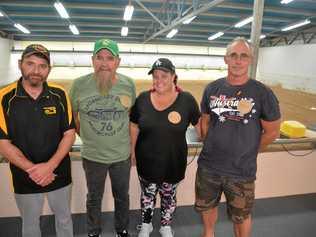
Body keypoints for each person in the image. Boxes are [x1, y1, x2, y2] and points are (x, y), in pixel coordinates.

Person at [195, 37, 281, 237]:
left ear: (250, 60)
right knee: (207, 207)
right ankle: (208, 234)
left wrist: (249, 151)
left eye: (243, 56)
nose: (238, 60)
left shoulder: (262, 93)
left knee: (241, 216)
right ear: (226, 59)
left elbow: (272, 131)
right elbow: (205, 120)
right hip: (209, 166)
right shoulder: (212, 89)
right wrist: (211, 143)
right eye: (233, 55)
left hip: (241, 170)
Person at [0, 44, 76, 237]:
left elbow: (69, 134)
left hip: (58, 174)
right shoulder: (4, 98)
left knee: (64, 220)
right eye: (30, 64)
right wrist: (33, 170)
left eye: (42, 66)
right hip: (25, 176)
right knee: (30, 225)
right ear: (20, 64)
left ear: (49, 69)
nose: (36, 71)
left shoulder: (60, 94)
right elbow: (3, 143)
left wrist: (49, 166)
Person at [69, 39, 136, 237]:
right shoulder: (79, 85)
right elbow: (73, 119)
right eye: (99, 58)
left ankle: (122, 229)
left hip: (121, 155)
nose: (104, 63)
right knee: (94, 197)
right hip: (93, 156)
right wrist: (89, 137)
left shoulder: (128, 84)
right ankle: (93, 231)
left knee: (122, 196)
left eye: (109, 58)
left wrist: (131, 148)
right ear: (92, 60)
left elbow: (131, 117)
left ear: (118, 61)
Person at [130, 58, 201, 237]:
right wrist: (132, 151)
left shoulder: (187, 100)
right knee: (148, 195)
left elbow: (200, 127)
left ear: (174, 77)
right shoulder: (143, 99)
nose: (159, 80)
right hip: (147, 161)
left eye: (164, 75)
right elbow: (133, 125)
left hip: (173, 161)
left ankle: (165, 225)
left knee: (169, 196)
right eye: (155, 76)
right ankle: (146, 224)